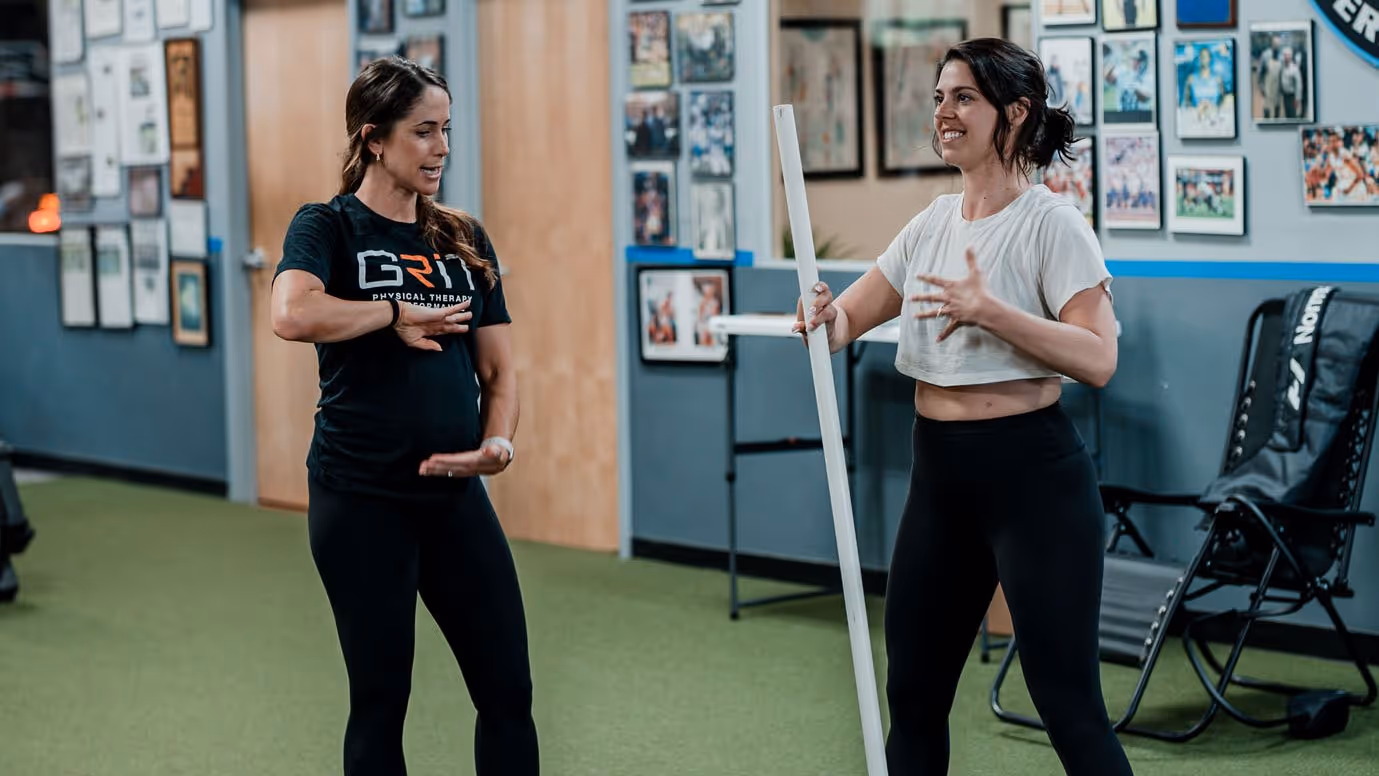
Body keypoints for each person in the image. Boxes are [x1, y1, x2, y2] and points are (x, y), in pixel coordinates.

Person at [793, 38, 1132, 775]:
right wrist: (823, 315)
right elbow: (850, 319)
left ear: (1012, 114)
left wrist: (992, 312)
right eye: (940, 97)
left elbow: (1097, 359)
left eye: (962, 98)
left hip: (1032, 481)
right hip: (939, 480)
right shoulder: (931, 224)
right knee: (912, 695)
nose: (943, 113)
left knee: (1067, 705)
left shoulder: (1052, 225)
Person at [269, 56, 537, 776]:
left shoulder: (463, 239)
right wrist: (392, 312)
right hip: (361, 497)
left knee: (509, 691)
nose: (441, 148)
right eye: (423, 132)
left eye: (446, 130)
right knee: (381, 701)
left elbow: (500, 370)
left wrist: (497, 444)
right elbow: (292, 315)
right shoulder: (327, 226)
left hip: (454, 495)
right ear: (375, 139)